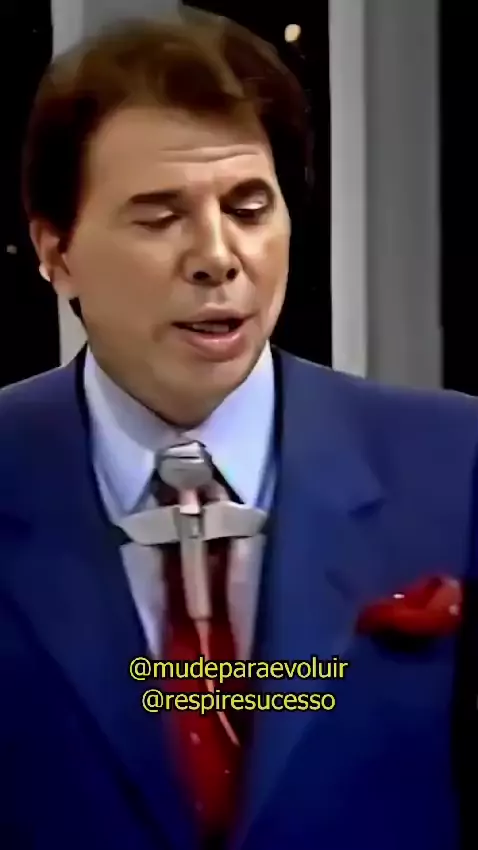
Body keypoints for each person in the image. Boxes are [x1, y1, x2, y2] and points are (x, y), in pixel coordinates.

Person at [0, 11, 477, 850]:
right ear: (57, 252)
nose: (218, 256)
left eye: (249, 208)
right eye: (160, 218)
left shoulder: (455, 462)